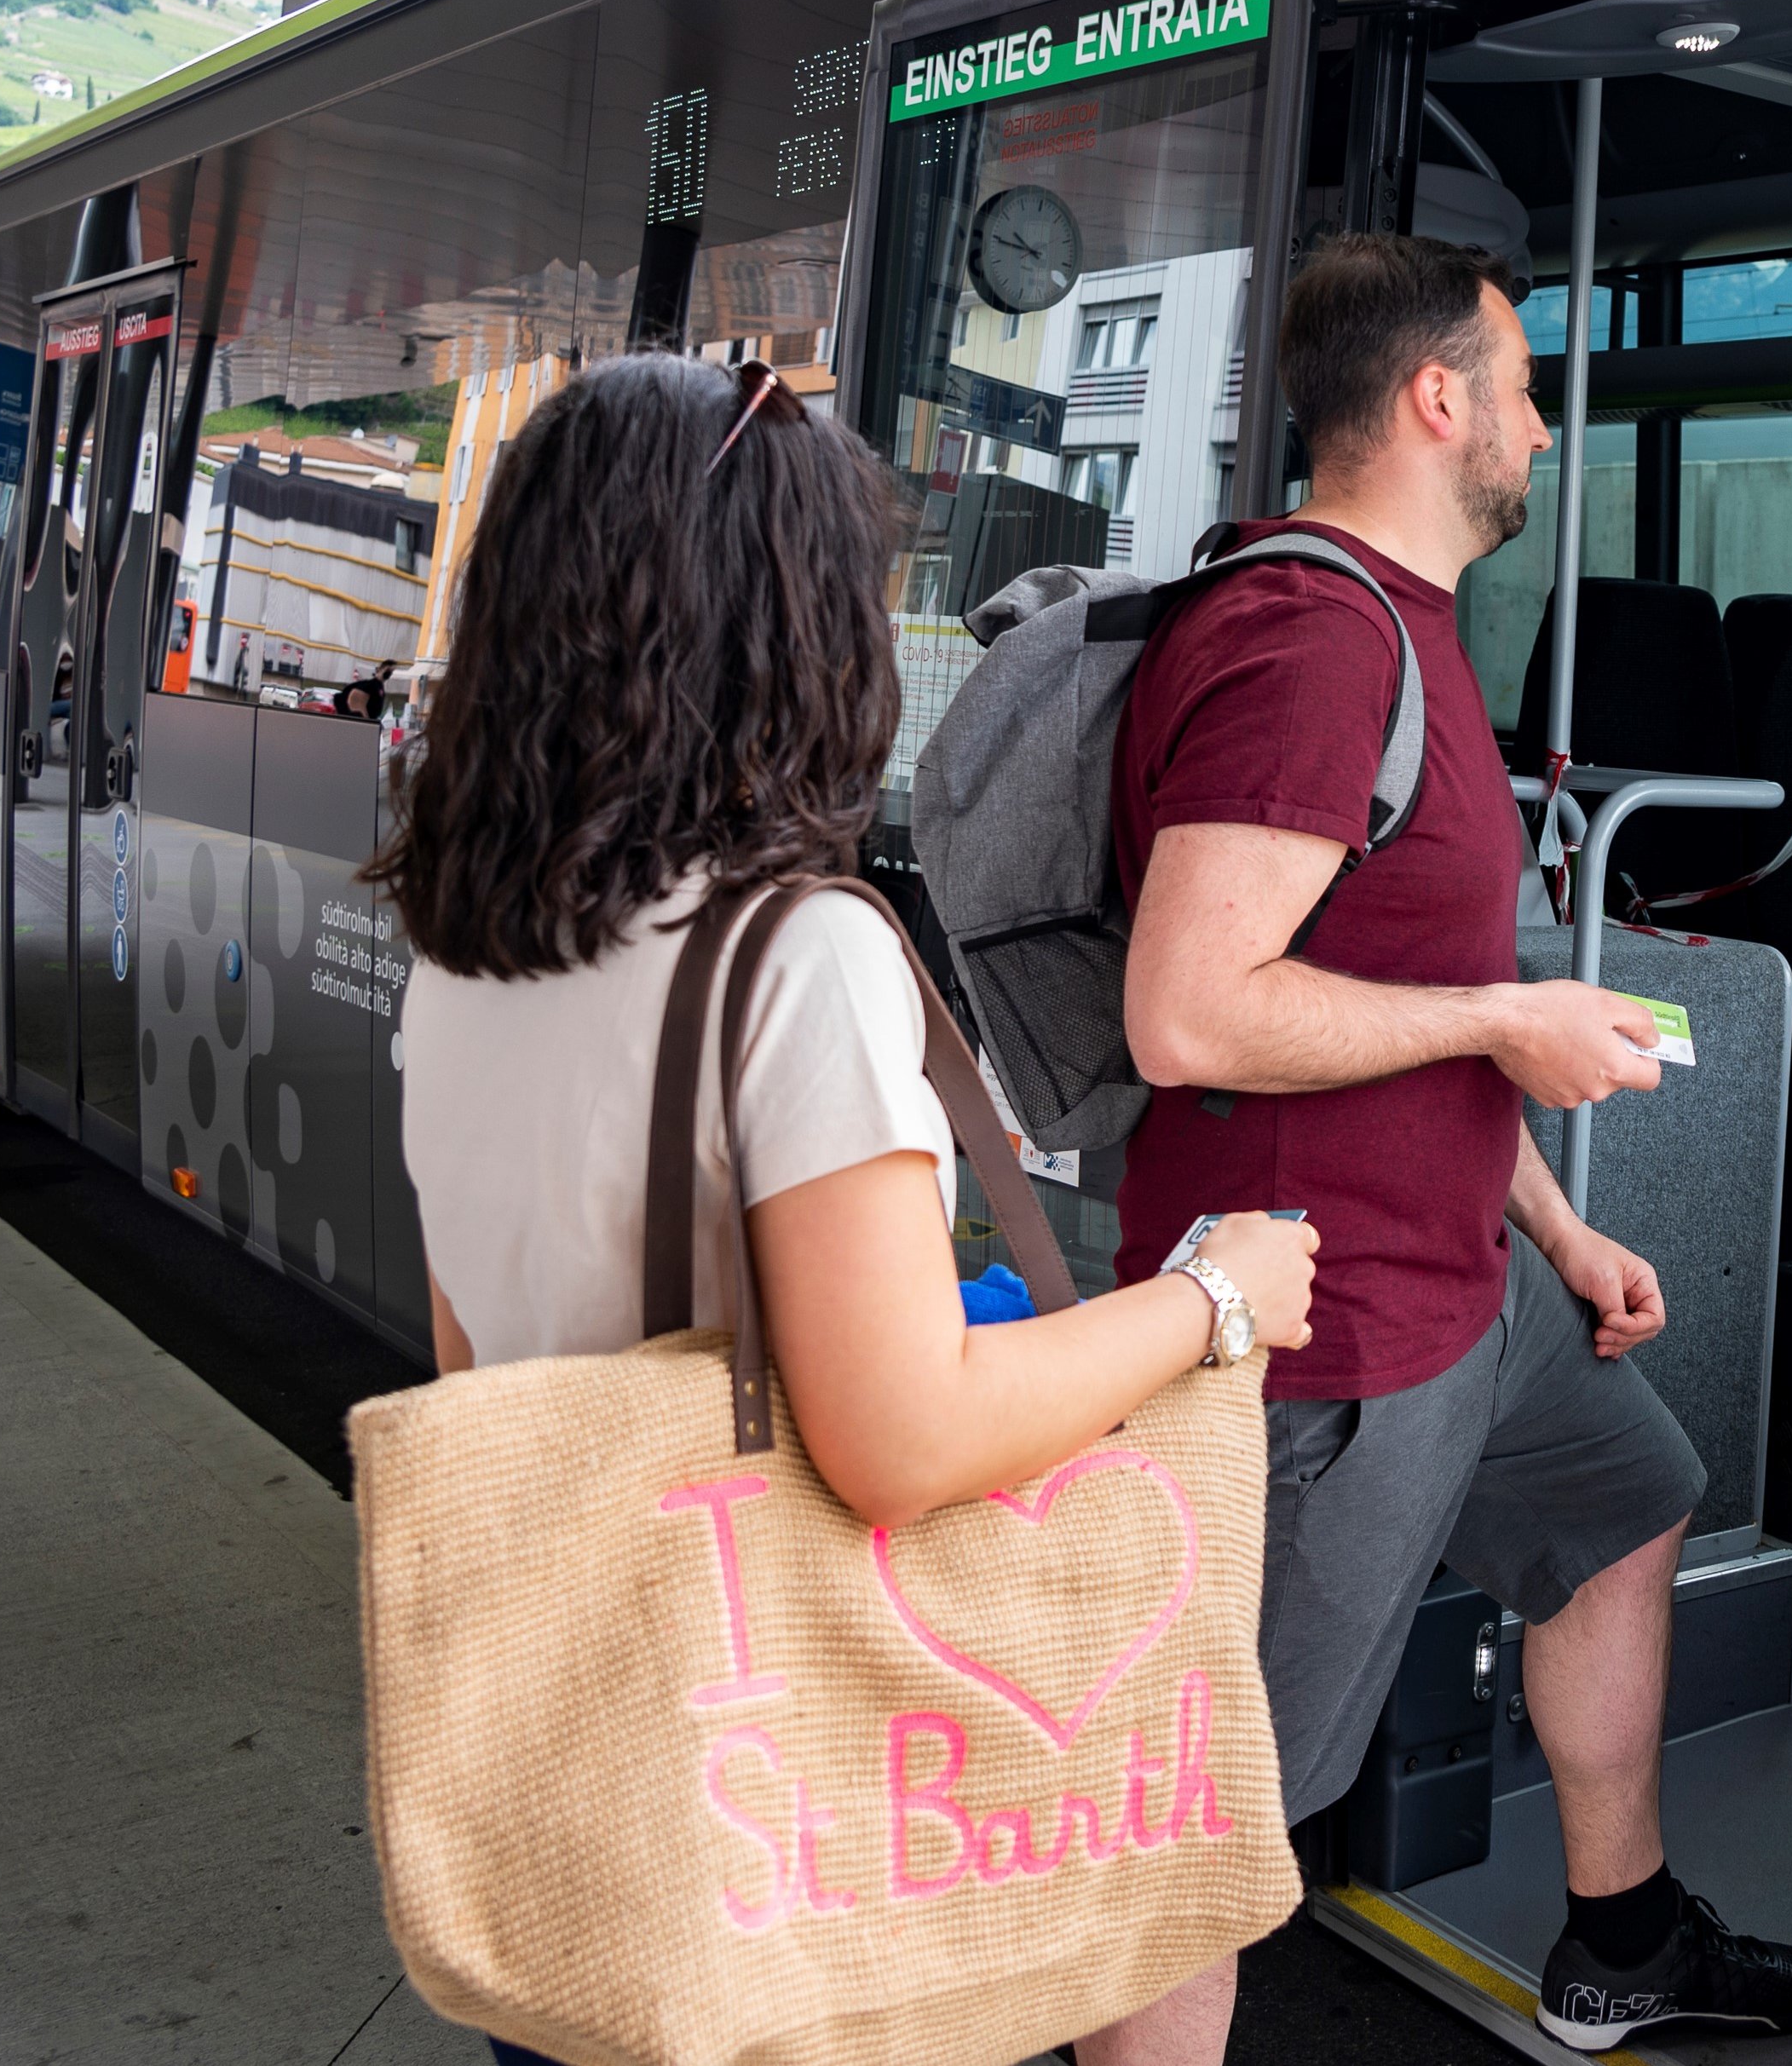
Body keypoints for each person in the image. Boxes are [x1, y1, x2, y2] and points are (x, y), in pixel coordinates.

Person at [368, 353, 1318, 2066]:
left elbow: (481, 1373)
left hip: (594, 1810)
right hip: (764, 1838)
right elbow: (897, 1436)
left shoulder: (465, 957)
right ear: (792, 629)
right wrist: (1213, 1298)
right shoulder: (791, 958)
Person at [1098, 233, 1792, 2057]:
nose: (1542, 426)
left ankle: (1623, 1940)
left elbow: (1401, 986)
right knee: (1205, 1826)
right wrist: (1506, 1024)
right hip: (1317, 1345)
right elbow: (1188, 1012)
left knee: (1628, 1500)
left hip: (1465, 1291)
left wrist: (1553, 1229)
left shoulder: (1406, 624)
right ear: (1438, 400)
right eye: (1520, 388)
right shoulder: (1307, 640)